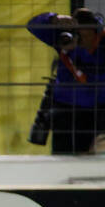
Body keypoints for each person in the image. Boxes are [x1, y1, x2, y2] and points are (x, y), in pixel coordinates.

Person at [27, 9, 105, 155]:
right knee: (63, 158)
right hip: (65, 111)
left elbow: (95, 77)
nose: (79, 38)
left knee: (93, 160)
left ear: (95, 32)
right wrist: (54, 20)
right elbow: (33, 25)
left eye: (83, 33)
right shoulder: (64, 37)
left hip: (97, 111)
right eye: (76, 32)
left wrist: (78, 56)